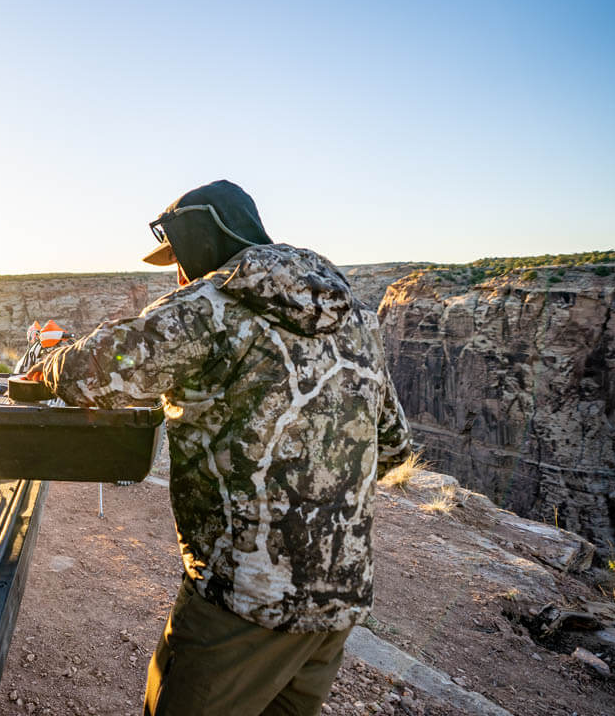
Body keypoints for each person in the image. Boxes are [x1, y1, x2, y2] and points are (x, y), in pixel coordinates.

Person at [31, 180, 411, 715]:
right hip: (338, 602)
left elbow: (94, 373)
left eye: (179, 257)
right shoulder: (356, 315)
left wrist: (49, 358)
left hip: (242, 603)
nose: (179, 274)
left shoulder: (211, 306)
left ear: (201, 240)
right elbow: (393, 446)